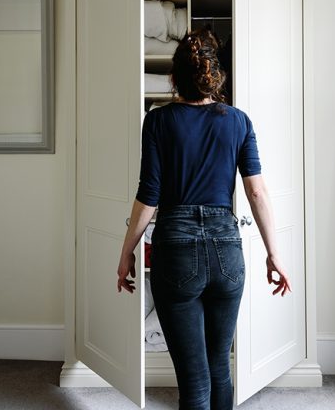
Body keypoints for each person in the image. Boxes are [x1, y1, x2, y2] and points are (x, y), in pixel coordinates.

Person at [116, 28, 291, 410]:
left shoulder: (158, 122)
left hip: (176, 250)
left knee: (194, 381)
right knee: (219, 370)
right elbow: (257, 192)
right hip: (227, 251)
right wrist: (274, 253)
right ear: (215, 76)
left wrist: (126, 251)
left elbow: (149, 196)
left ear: (175, 77)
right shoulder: (239, 122)